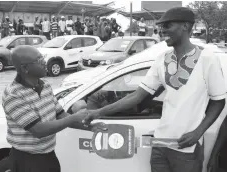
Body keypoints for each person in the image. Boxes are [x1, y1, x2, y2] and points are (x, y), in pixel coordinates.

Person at [83, 7, 226, 172]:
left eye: (168, 25)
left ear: (186, 26)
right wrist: (99, 112)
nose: (162, 30)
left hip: (186, 148)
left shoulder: (207, 59)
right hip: (160, 144)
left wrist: (198, 132)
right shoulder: (162, 59)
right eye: (161, 26)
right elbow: (137, 96)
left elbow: (218, 101)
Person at [2, 45, 106, 172]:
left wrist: (89, 127)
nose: (45, 62)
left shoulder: (45, 86)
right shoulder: (13, 95)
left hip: (48, 156)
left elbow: (61, 115)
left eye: (43, 58)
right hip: (27, 161)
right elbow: (38, 130)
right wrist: (74, 117)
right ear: (25, 68)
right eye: (39, 60)